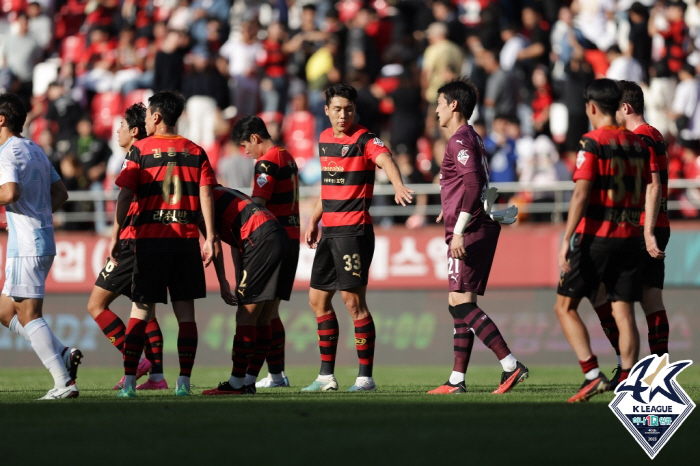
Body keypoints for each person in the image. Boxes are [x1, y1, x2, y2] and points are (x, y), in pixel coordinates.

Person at [303, 84, 414, 392]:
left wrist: (398, 185)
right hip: (330, 230)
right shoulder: (324, 139)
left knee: (353, 303)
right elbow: (328, 188)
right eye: (337, 109)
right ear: (326, 111)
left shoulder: (365, 139)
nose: (343, 115)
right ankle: (326, 376)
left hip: (354, 231)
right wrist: (314, 220)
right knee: (317, 300)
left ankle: (365, 377)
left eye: (349, 109)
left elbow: (386, 159)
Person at [111, 90, 217, 398]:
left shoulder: (140, 150)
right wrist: (209, 236)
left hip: (151, 242)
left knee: (140, 313)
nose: (145, 120)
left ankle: (129, 384)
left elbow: (125, 195)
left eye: (146, 115)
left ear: (156, 117)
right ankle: (183, 382)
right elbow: (206, 195)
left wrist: (117, 234)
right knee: (186, 316)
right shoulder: (196, 151)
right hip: (185, 243)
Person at [429, 79, 528, 395]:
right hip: (473, 222)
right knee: (457, 301)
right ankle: (457, 380)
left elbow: (473, 185)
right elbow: (469, 185)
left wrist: (457, 229)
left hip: (469, 230)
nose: (436, 110)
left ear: (453, 105)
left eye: (440, 103)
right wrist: (448, 209)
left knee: (460, 303)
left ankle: (510, 365)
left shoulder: (458, 141)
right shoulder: (472, 138)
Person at [554, 79, 650, 403]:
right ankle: (631, 381)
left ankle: (592, 374)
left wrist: (566, 238)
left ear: (592, 107)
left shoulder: (592, 142)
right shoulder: (639, 145)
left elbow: (581, 192)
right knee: (625, 314)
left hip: (597, 236)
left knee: (564, 306)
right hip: (630, 238)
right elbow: (647, 187)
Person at [0, 92, 80, 399]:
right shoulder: (34, 148)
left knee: (29, 314)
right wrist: (39, 214)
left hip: (26, 245)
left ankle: (64, 382)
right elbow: (61, 193)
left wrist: (29, 216)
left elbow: (9, 193)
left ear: (2, 119)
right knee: (6, 311)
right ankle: (62, 352)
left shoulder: (7, 152)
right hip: (40, 239)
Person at [592, 80, 670, 386]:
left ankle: (628, 369)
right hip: (656, 224)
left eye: (615, 109)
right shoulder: (655, 134)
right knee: (651, 298)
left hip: (640, 228)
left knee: (605, 293)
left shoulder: (640, 138)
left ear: (625, 108)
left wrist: (646, 230)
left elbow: (652, 184)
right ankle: (657, 373)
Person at [87, 103, 167, 391]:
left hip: (133, 238)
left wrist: (115, 235)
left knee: (96, 304)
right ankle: (157, 377)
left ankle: (134, 359)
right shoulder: (155, 153)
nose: (117, 132)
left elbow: (125, 198)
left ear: (133, 131)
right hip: (154, 239)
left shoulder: (134, 155)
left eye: (120, 127)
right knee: (146, 309)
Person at [231, 115, 300, 389]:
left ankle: (248, 377)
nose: (245, 152)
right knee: (270, 312)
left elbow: (258, 204)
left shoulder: (267, 162)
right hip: (290, 239)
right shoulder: (288, 156)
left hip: (272, 241)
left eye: (245, 145)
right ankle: (276, 375)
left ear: (256, 138)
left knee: (257, 312)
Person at [201, 186, 289, 395]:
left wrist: (222, 280)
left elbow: (212, 242)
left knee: (246, 316)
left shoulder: (201, 199)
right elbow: (234, 239)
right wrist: (237, 274)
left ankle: (236, 383)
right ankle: (248, 382)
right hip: (277, 235)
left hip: (260, 240)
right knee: (263, 318)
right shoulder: (223, 192)